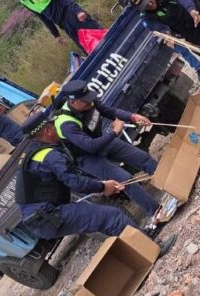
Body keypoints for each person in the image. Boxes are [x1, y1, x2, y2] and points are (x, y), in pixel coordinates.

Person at [15, 108, 176, 251]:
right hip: (48, 215)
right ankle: (153, 249)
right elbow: (74, 182)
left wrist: (99, 186)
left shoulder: (34, 152)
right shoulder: (50, 155)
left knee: (105, 221)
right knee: (112, 217)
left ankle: (141, 240)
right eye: (52, 126)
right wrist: (102, 187)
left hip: (42, 215)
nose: (56, 128)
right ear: (47, 131)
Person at [52, 80, 164, 218]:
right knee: (125, 179)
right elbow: (91, 146)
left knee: (142, 158)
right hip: (87, 157)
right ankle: (157, 212)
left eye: (89, 97)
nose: (89, 102)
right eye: (85, 100)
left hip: (101, 140)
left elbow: (109, 111)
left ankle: (171, 182)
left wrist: (133, 117)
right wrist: (115, 132)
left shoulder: (88, 101)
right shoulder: (65, 123)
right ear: (73, 102)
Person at [0, 0, 102, 54]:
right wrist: (56, 35)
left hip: (73, 14)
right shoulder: (24, 2)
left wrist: (78, 11)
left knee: (99, 37)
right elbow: (43, 18)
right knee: (88, 49)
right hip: (64, 25)